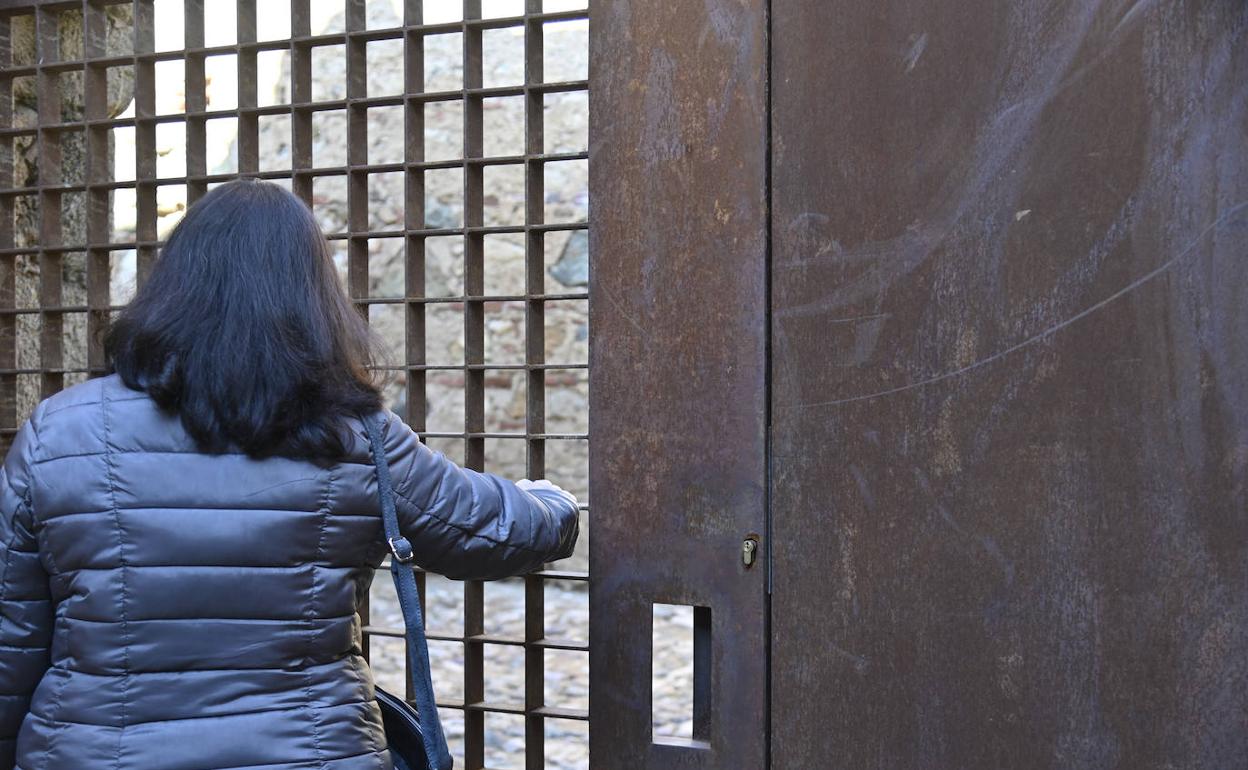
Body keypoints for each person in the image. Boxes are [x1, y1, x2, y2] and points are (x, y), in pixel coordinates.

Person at [0, 177, 580, 770]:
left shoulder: (59, 432)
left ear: (171, 284)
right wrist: (555, 504)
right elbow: (484, 527)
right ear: (311, 296)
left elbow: (10, 640)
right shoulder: (354, 435)